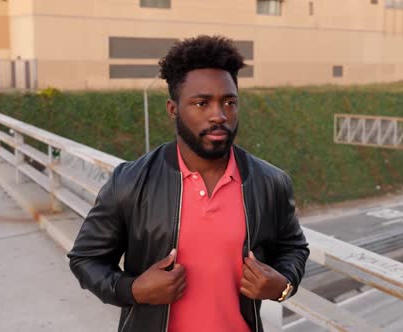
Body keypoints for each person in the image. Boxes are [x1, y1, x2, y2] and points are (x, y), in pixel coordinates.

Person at [67, 35, 309, 332]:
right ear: (173, 109)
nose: (219, 115)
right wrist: (132, 290)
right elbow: (85, 259)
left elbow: (293, 247)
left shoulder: (270, 182)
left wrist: (283, 286)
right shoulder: (129, 182)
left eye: (229, 102)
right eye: (201, 103)